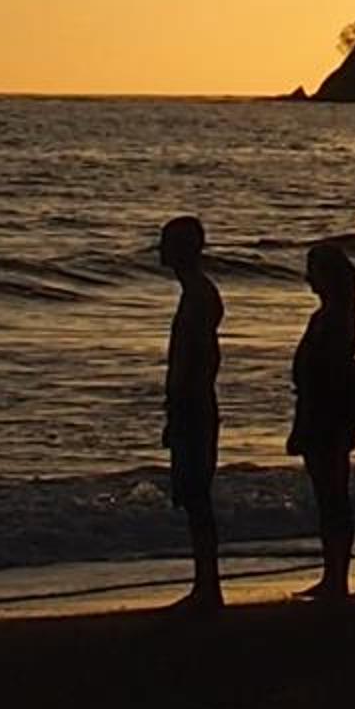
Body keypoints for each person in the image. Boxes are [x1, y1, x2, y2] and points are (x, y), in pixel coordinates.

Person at [287, 239, 355, 602]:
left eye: (313, 271)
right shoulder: (336, 315)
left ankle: (336, 576)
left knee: (331, 495)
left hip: (326, 414)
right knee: (330, 495)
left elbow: (330, 372)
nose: (308, 278)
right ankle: (333, 574)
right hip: (324, 411)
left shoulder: (333, 318)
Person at [156, 214, 224, 609]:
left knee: (196, 494)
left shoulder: (198, 295)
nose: (161, 250)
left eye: (167, 242)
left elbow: (200, 358)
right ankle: (205, 582)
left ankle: (208, 585)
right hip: (192, 402)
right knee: (193, 494)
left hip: (194, 404)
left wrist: (182, 402)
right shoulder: (196, 293)